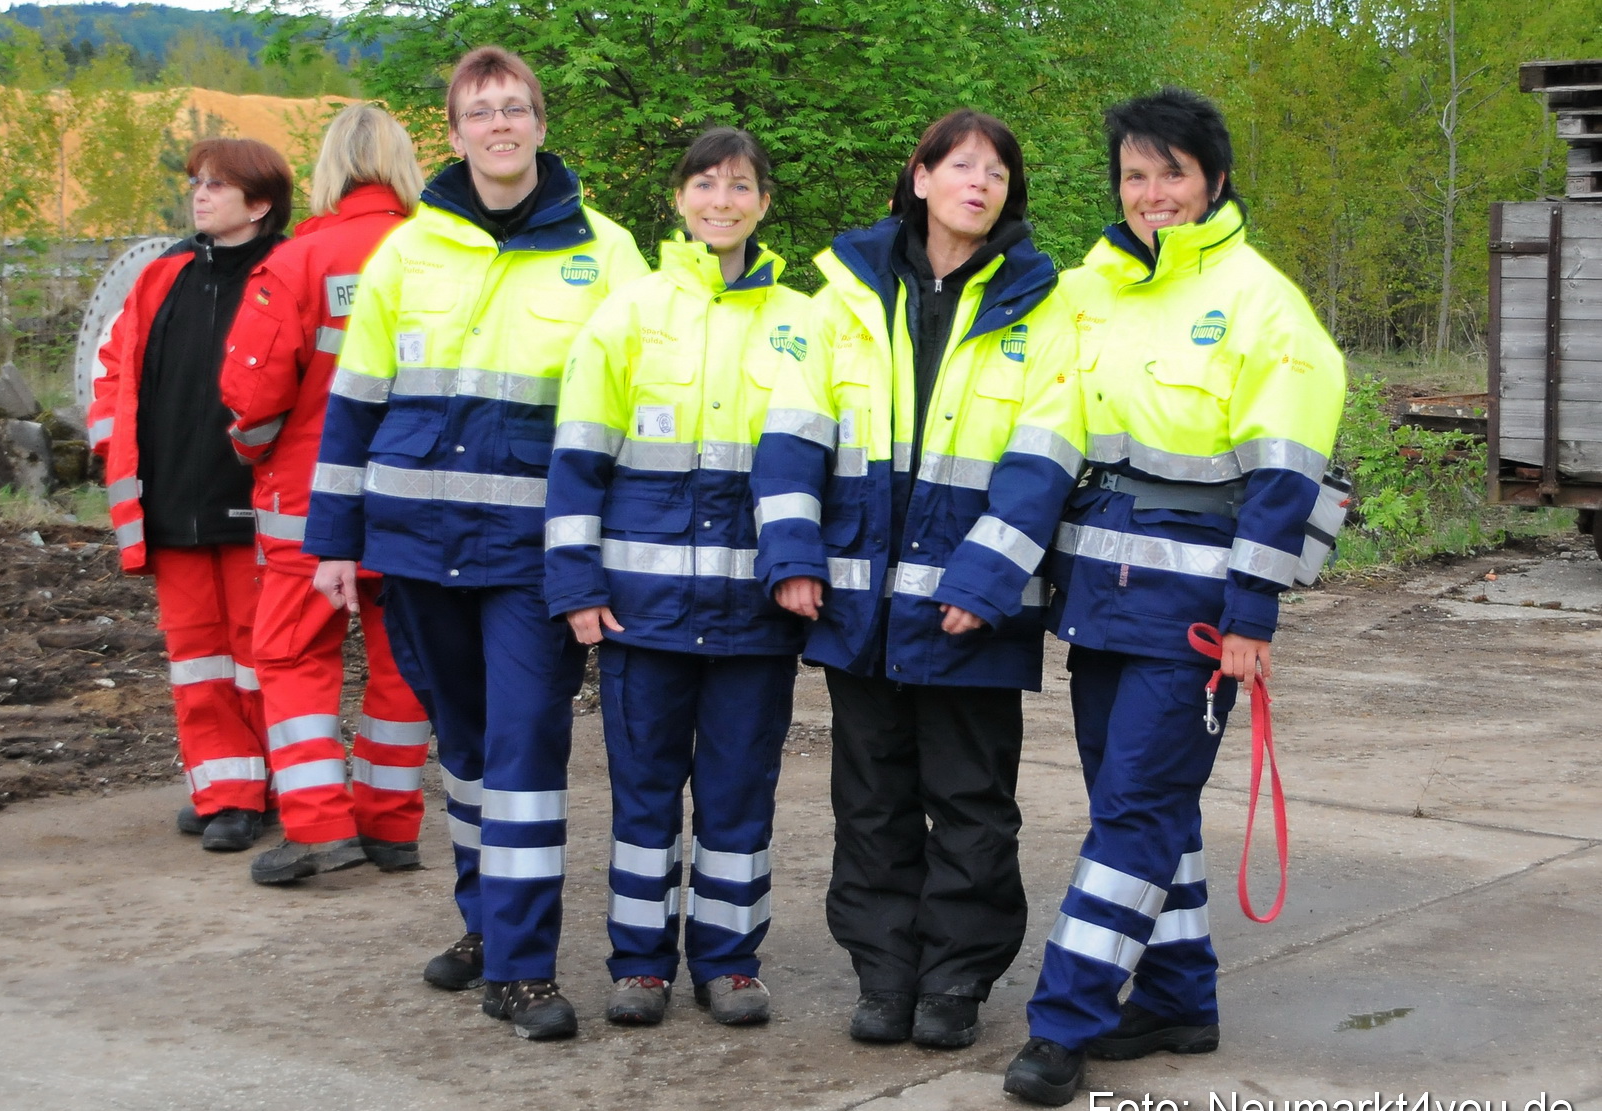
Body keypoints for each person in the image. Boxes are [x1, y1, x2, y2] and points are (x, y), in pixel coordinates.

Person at [1000, 88, 1345, 1106]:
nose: (1152, 194)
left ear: (1216, 179)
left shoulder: (1262, 302)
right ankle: (1180, 997)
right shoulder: (1089, 291)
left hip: (1194, 611)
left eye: (1173, 173)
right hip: (1100, 597)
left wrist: (1252, 616)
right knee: (1142, 807)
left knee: (1134, 813)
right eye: (1134, 175)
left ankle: (1065, 1019)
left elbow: (1284, 476)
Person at [304, 46, 647, 1041]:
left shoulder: (606, 253)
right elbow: (354, 403)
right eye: (480, 112)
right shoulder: (407, 253)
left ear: (541, 123)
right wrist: (334, 539)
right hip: (417, 543)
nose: (500, 125)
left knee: (525, 748)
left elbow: (634, 403)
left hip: (535, 554)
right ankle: (486, 924)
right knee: (462, 749)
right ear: (453, 135)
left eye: (515, 108)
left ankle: (522, 970)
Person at [751, 110, 1083, 1049]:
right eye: (963, 166)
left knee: (972, 802)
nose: (980, 183)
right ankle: (885, 974)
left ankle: (955, 981)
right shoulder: (841, 296)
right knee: (871, 800)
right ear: (922, 176)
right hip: (860, 603)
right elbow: (791, 434)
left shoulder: (1043, 308)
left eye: (998, 173)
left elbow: (1046, 457)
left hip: (973, 611)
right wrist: (793, 556)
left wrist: (984, 581)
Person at [544, 127, 809, 1028]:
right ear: (678, 198)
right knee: (644, 796)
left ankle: (730, 963)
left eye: (739, 186)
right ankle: (641, 965)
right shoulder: (626, 314)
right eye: (705, 184)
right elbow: (578, 460)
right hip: (641, 614)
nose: (720, 201)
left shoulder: (801, 323)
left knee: (739, 796)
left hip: (754, 618)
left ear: (764, 203)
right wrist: (577, 585)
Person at [216, 105, 432, 885]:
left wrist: (253, 449)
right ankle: (391, 823)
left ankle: (318, 824)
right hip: (416, 495)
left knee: (290, 653)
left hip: (310, 501)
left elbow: (252, 395)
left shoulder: (299, 261)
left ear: (330, 167)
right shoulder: (439, 254)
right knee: (403, 659)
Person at [88, 138, 293, 853]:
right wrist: (112, 447)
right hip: (171, 497)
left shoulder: (286, 272)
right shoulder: (162, 275)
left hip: (255, 502)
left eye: (216, 185)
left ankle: (263, 787)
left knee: (257, 654)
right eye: (197, 183)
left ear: (259, 204)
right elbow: (112, 367)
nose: (199, 195)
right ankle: (223, 790)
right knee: (197, 656)